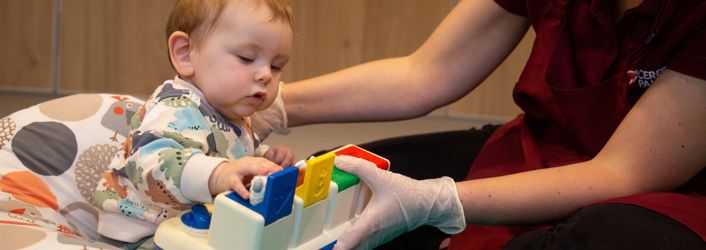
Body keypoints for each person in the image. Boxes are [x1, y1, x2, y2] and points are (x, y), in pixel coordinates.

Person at [255, 0, 706, 249]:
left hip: (664, 196)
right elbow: (425, 74)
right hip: (545, 147)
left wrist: (436, 200)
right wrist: (271, 102)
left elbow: (622, 172)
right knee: (334, 190)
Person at [90, 0, 295, 245]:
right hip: (142, 232)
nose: (266, 75)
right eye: (246, 58)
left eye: (276, 65)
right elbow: (153, 165)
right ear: (185, 53)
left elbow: (228, 153)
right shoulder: (175, 105)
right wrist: (219, 174)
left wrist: (262, 160)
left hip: (192, 228)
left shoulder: (231, 111)